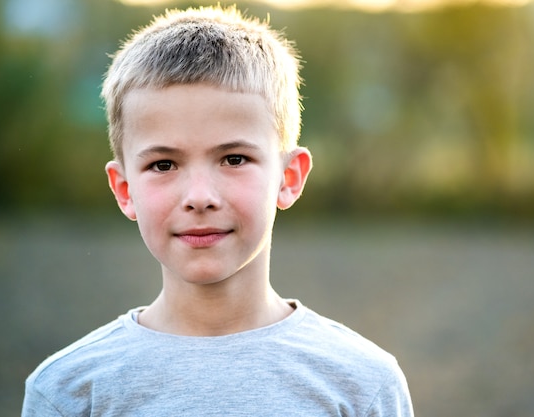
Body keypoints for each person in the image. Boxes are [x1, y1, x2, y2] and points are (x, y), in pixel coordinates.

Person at [22, 5, 413, 416]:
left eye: (233, 159)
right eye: (163, 165)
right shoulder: (68, 391)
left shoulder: (364, 384)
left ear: (289, 176)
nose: (199, 196)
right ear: (124, 190)